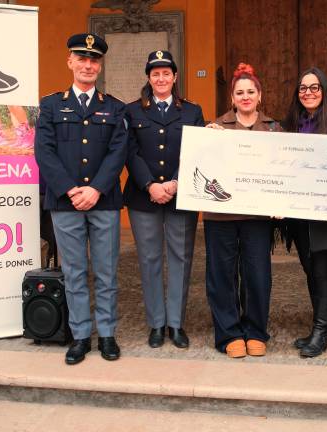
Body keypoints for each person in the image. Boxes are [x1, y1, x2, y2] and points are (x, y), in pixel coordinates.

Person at [34, 33, 128, 365]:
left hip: (103, 201)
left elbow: (118, 152)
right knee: (73, 273)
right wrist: (71, 189)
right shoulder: (50, 105)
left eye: (94, 60)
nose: (88, 65)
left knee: (106, 271)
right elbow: (43, 152)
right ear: (70, 62)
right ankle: (79, 336)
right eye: (82, 59)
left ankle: (106, 334)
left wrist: (96, 189)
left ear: (100, 65)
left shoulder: (114, 107)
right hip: (65, 202)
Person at [123, 50, 205, 349]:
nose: (161, 78)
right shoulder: (133, 111)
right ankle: (157, 324)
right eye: (155, 73)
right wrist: (149, 185)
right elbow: (130, 152)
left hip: (180, 195)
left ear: (174, 77)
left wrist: (174, 182)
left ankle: (176, 323)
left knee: (181, 259)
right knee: (149, 259)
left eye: (166, 73)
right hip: (143, 197)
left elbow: (197, 150)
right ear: (149, 77)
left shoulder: (191, 111)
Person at [204, 63, 282, 358]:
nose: (246, 96)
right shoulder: (216, 128)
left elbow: (285, 173)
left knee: (257, 273)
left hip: (258, 216)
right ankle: (228, 334)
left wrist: (281, 202)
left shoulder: (274, 129)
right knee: (221, 273)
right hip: (221, 215)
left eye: (251, 91)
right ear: (232, 98)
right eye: (240, 92)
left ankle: (256, 331)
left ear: (260, 96)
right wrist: (206, 141)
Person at [281, 67, 327, 358]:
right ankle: (326, 326)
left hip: (325, 210)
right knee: (309, 267)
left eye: (314, 87)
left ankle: (320, 331)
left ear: (324, 90)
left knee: (321, 268)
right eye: (303, 88)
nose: (308, 93)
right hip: (298, 211)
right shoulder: (291, 123)